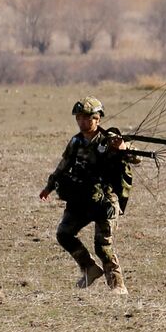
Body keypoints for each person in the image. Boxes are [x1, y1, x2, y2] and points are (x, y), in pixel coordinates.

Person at [39, 97, 132, 294]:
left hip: (105, 200)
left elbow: (135, 157)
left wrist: (123, 149)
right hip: (81, 198)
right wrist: (49, 187)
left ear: (98, 119)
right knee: (64, 234)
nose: (82, 122)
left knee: (102, 245)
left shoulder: (110, 139)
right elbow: (63, 166)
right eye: (79, 118)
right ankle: (89, 268)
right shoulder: (76, 142)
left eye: (87, 118)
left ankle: (117, 285)